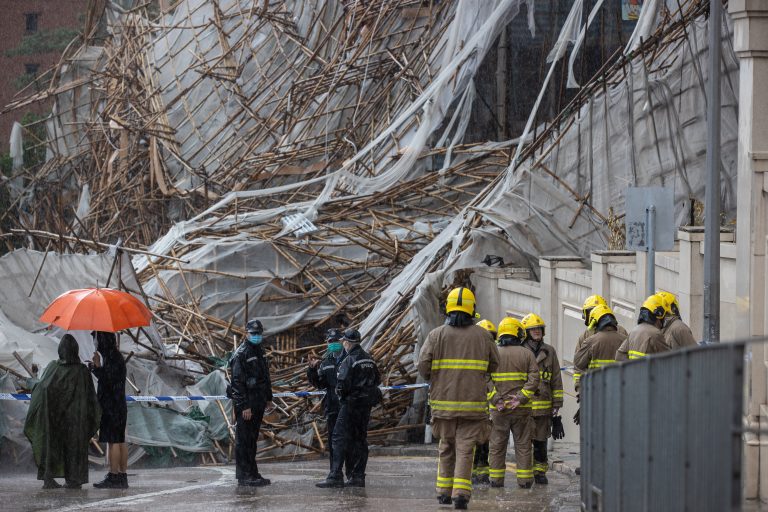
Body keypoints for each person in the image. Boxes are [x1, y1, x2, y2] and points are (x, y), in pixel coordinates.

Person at [417, 287, 500, 510]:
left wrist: (436, 376)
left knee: (446, 447)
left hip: (443, 406)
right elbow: (495, 364)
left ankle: (443, 492)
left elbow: (423, 366)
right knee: (465, 450)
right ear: (472, 309)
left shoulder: (436, 335)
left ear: (449, 309)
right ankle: (461, 495)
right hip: (473, 406)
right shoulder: (483, 335)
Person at [24, 334, 101, 489]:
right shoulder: (82, 371)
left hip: (54, 419)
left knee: (51, 446)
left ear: (61, 350)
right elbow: (91, 398)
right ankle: (74, 479)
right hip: (75, 421)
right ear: (75, 350)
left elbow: (43, 388)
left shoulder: (53, 367)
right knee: (74, 449)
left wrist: (32, 383)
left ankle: (48, 478)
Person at [316, 328, 381, 488]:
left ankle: (335, 475)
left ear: (348, 342)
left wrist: (344, 396)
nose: (342, 344)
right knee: (359, 439)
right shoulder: (369, 359)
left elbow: (342, 385)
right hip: (365, 407)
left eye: (343, 341)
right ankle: (358, 476)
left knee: (338, 438)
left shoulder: (349, 360)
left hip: (350, 404)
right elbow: (377, 380)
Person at [488, 317, 539, 489]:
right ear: (518, 333)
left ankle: (496, 480)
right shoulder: (527, 354)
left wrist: (496, 399)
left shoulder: (493, 352)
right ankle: (524, 481)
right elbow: (534, 379)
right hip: (521, 409)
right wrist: (521, 397)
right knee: (524, 445)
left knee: (497, 445)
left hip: (498, 410)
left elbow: (485, 378)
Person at [230, 319, 273, 487]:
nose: (256, 336)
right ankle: (244, 475)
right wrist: (243, 406)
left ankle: (253, 472)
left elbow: (265, 377)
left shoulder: (258, 351)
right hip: (247, 405)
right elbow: (237, 383)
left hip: (258, 402)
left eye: (258, 334)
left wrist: (268, 398)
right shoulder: (241, 354)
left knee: (252, 440)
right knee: (244, 440)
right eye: (253, 334)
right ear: (246, 334)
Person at [522, 313, 563, 485]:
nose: (537, 331)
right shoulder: (521, 351)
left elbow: (556, 378)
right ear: (526, 332)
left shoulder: (550, 351)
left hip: (544, 407)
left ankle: (539, 472)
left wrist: (557, 405)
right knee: (524, 443)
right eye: (533, 329)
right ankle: (524, 474)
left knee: (541, 441)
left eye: (539, 329)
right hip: (524, 406)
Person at [307, 328, 349, 475]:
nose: (332, 344)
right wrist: (312, 370)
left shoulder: (349, 358)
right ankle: (335, 472)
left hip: (347, 405)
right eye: (330, 342)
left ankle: (351, 473)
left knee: (349, 439)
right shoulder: (326, 362)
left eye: (335, 341)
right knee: (333, 441)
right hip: (332, 406)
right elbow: (319, 384)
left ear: (342, 341)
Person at [90, 331, 129, 489]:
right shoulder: (115, 356)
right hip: (118, 405)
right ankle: (122, 476)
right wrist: (98, 366)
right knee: (119, 441)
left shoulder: (112, 358)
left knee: (114, 442)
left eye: (97, 339)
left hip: (112, 406)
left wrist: (97, 367)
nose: (95, 342)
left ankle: (114, 476)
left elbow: (109, 381)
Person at [572, 295, 628, 389]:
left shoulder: (621, 332)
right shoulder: (585, 336)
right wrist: (579, 387)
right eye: (590, 312)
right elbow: (578, 367)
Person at [471, 319, 496, 486]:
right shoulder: (471, 356)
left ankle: (483, 473)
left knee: (485, 442)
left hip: (489, 409)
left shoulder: (495, 355)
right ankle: (471, 472)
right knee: (472, 443)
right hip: (475, 407)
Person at [616, 295, 669, 361]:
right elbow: (668, 360)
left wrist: (632, 368)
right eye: (665, 315)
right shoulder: (655, 334)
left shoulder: (634, 331)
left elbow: (619, 356)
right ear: (659, 315)